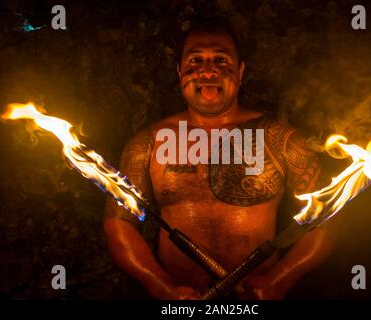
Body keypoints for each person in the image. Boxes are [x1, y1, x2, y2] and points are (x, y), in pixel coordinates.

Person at [103, 17, 336, 300]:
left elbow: (326, 221)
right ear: (179, 72)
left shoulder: (283, 140)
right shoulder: (147, 143)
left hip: (252, 300)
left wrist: (279, 281)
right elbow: (119, 223)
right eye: (196, 60)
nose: (208, 71)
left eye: (221, 61)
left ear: (240, 72)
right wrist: (160, 285)